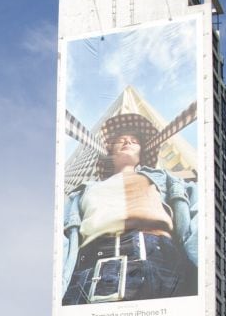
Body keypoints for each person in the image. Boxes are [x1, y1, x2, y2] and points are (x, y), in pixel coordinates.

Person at [60, 111, 198, 304]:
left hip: (160, 260)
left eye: (134, 140)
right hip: (89, 268)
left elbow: (196, 225)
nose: (127, 142)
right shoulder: (81, 193)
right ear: (110, 150)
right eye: (121, 140)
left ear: (142, 152)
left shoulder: (168, 181)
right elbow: (63, 240)